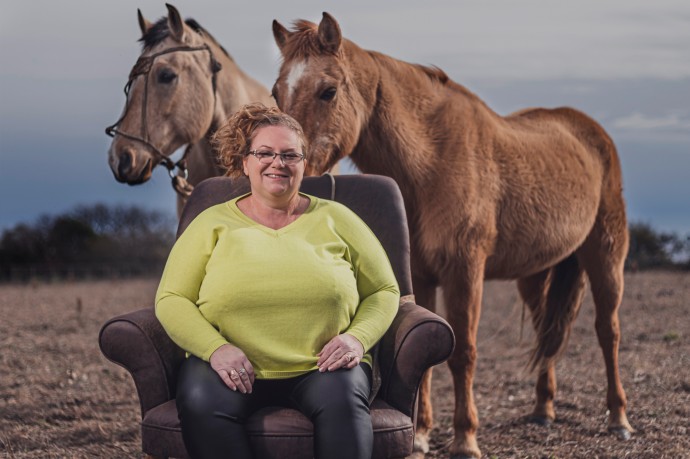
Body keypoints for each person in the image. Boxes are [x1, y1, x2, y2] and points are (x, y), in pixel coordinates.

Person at [155, 103, 400, 459]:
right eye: (265, 153)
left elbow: (384, 290)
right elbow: (172, 298)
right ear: (245, 163)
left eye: (290, 155)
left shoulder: (338, 218)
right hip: (226, 367)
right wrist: (215, 349)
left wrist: (356, 340)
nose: (278, 163)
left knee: (344, 404)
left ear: (304, 164)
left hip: (324, 366)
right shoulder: (210, 223)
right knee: (200, 402)